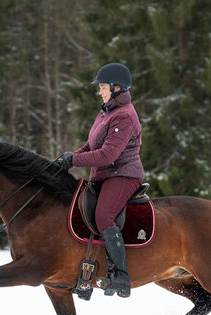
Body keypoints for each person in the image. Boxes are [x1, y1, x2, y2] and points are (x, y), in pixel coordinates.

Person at [56, 62, 144, 298]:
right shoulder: (106, 112)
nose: (100, 91)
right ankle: (87, 275)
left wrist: (74, 160)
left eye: (103, 87)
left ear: (117, 88)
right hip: (104, 175)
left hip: (123, 174)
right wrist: (68, 157)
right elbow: (91, 145)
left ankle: (122, 277)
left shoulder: (124, 116)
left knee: (103, 215)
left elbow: (108, 155)